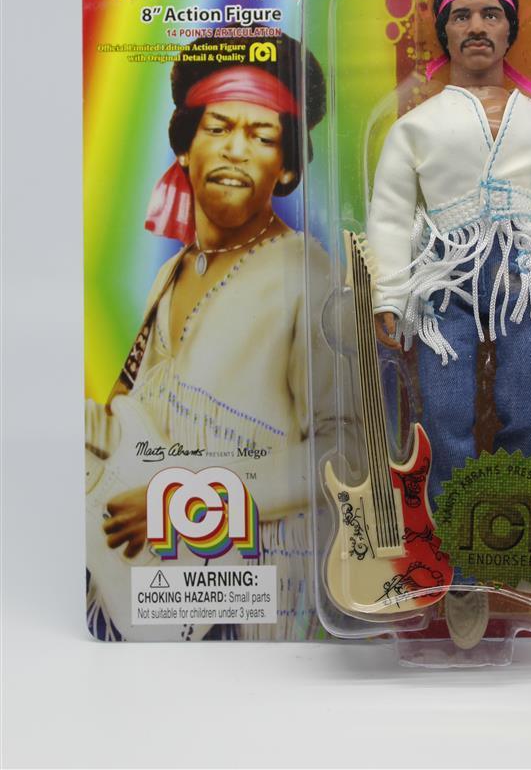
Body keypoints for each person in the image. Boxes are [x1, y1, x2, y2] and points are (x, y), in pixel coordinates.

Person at [366, 0, 531, 647]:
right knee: (445, 416)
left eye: (491, 16)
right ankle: (459, 568)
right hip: (446, 273)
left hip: (523, 275)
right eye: (461, 17)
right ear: (445, 33)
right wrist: (390, 294)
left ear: (510, 30)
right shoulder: (415, 127)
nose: (477, 28)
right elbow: (391, 214)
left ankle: (523, 551)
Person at [86, 32, 332, 641]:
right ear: (184, 147)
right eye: (218, 127)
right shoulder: (171, 274)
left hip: (254, 599)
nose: (236, 150)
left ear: (287, 167)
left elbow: (341, 449)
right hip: (153, 588)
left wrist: (192, 503)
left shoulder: (307, 273)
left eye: (263, 136)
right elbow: (138, 420)